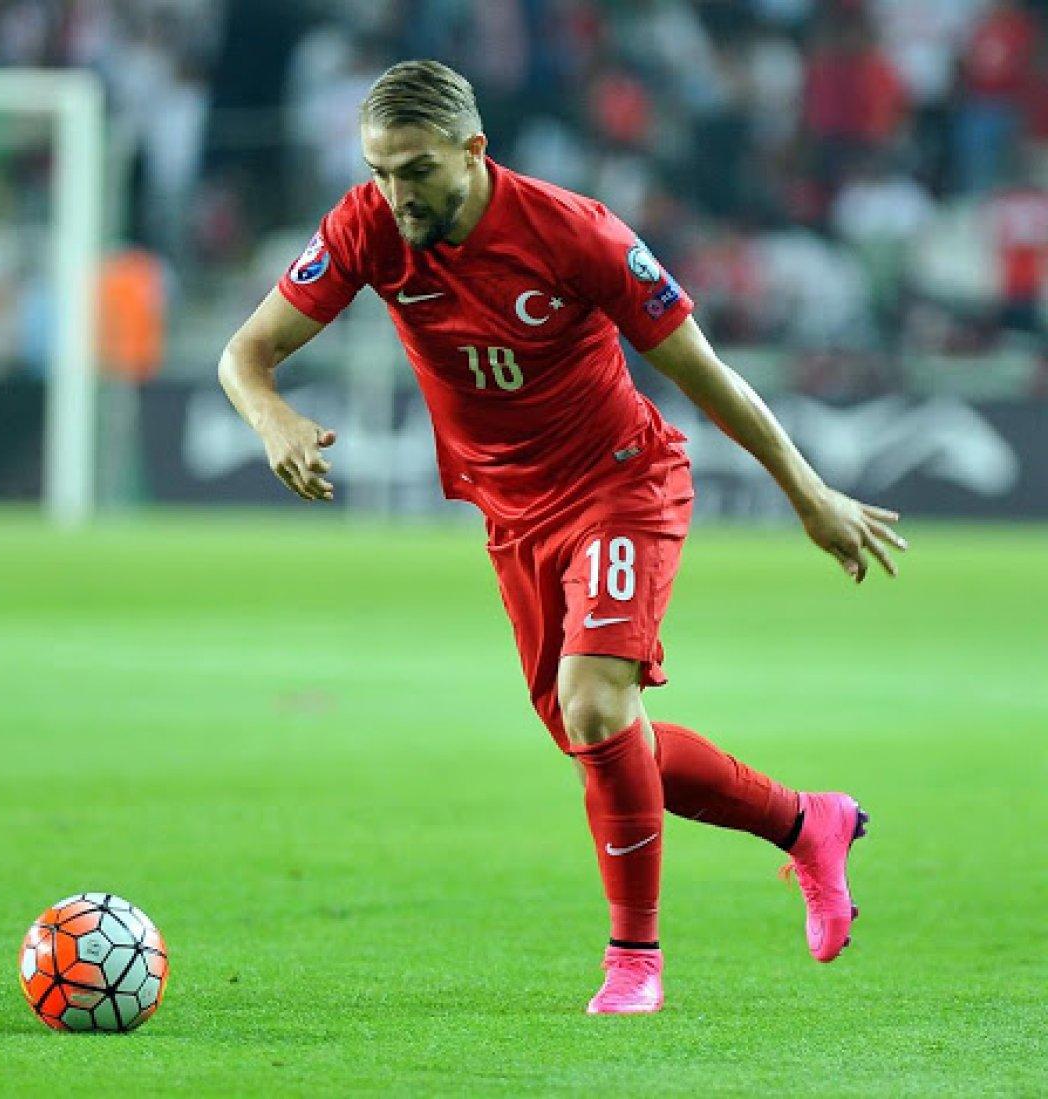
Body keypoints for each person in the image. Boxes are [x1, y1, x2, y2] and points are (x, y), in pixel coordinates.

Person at [219, 60, 906, 1015]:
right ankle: (808, 821)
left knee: (593, 704)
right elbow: (244, 355)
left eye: (414, 168)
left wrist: (807, 492)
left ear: (474, 150)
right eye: (378, 169)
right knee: (604, 739)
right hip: (513, 514)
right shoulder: (369, 227)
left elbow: (703, 373)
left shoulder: (575, 232)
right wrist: (274, 422)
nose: (393, 192)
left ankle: (635, 961)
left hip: (622, 481)